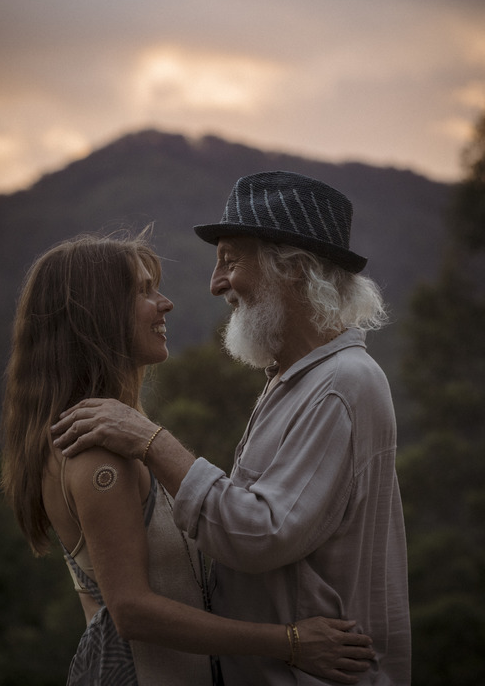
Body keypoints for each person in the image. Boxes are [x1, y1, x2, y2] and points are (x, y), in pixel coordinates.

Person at [51, 171, 411, 685]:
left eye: (230, 261)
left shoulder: (340, 384)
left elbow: (259, 536)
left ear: (293, 268)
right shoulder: (298, 381)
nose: (215, 283)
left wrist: (152, 442)